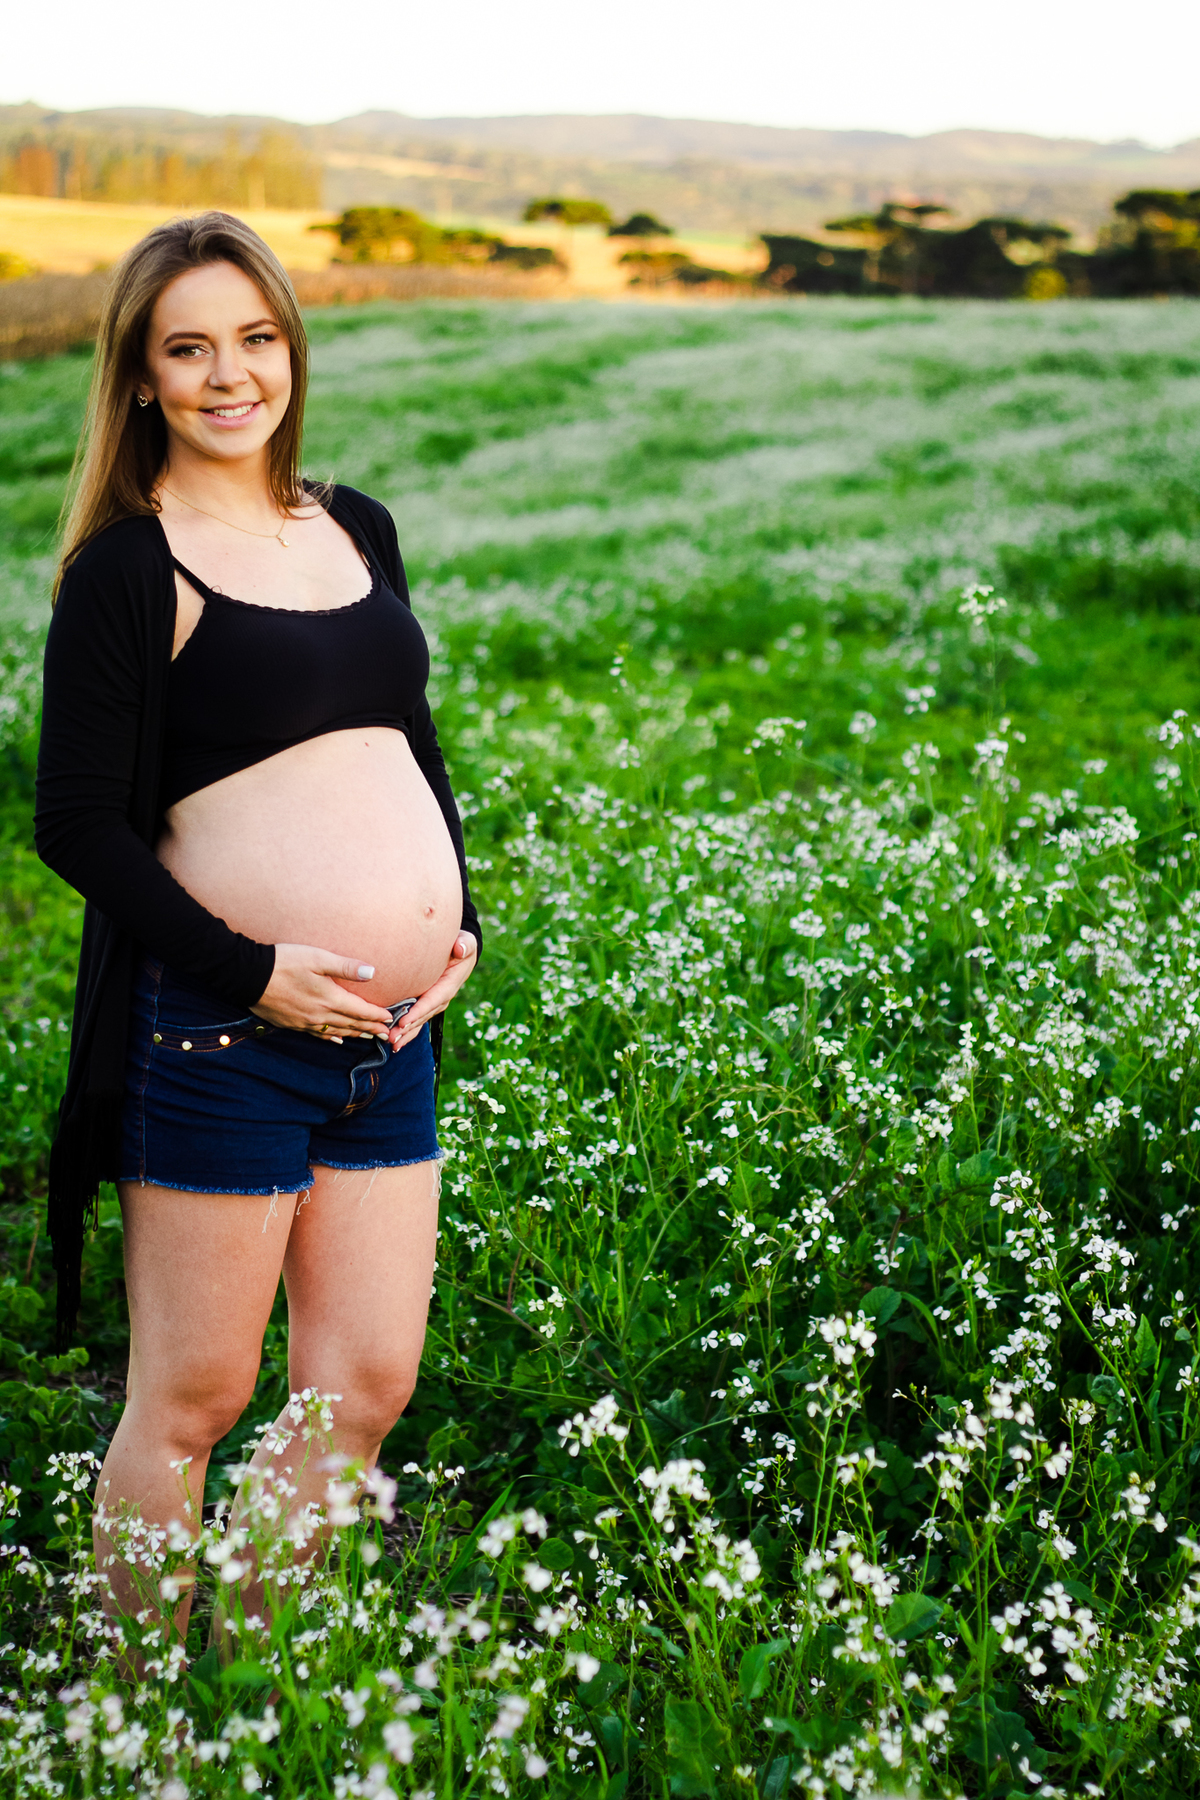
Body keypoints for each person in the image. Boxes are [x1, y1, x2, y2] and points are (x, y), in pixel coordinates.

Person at [34, 211, 479, 1650]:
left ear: (291, 345)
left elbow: (409, 736)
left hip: (387, 1037)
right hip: (224, 1034)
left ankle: (257, 1687)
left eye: (257, 337)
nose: (231, 375)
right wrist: (254, 972)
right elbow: (79, 825)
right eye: (189, 348)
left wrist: (454, 913)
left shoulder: (355, 524)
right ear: (141, 377)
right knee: (194, 1399)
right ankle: (134, 1705)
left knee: (367, 1386)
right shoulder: (127, 567)